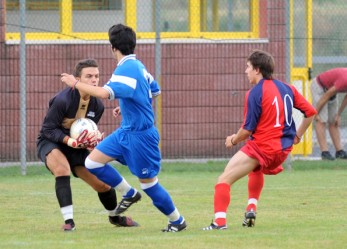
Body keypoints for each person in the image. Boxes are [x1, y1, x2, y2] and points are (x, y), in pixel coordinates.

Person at [61, 24, 187, 232]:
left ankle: (177, 220)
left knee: (149, 184)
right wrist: (126, 105)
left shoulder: (127, 69)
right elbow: (154, 91)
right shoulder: (137, 66)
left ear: (112, 47)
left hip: (141, 136)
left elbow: (103, 93)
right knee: (92, 162)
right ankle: (128, 193)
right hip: (126, 131)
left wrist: (74, 83)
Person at [202, 50, 317, 230]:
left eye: (247, 67)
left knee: (223, 179)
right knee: (255, 169)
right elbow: (311, 112)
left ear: (257, 70)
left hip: (263, 147)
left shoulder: (255, 93)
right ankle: (251, 207)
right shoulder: (288, 88)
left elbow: (247, 130)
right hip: (282, 151)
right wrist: (298, 135)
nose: (245, 71)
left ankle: (219, 222)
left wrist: (232, 140)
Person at [37, 58, 141, 231]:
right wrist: (70, 140)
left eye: (97, 76)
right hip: (51, 142)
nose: (94, 80)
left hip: (76, 147)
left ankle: (115, 217)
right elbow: (48, 130)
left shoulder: (97, 105)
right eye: (89, 76)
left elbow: (86, 132)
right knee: (62, 169)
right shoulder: (62, 100)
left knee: (103, 185)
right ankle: (69, 222)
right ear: (78, 79)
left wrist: (91, 142)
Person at [310, 68, 347, 160]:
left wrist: (338, 114)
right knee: (321, 120)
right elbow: (326, 95)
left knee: (333, 120)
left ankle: (339, 152)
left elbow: (346, 98)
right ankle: (324, 152)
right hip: (319, 87)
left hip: (331, 91)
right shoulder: (344, 80)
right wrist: (315, 112)